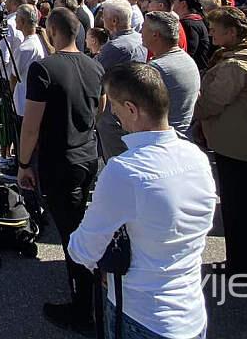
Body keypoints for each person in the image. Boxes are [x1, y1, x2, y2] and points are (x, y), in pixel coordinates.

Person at [67, 63, 217, 339]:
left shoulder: (124, 170)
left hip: (142, 314)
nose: (112, 113)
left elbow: (84, 249)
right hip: (191, 311)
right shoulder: (195, 156)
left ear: (132, 109)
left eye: (114, 105)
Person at [17, 8, 105, 335]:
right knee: (78, 224)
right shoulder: (95, 65)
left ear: (52, 32)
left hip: (60, 160)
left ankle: (84, 308)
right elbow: (101, 109)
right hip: (87, 155)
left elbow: (31, 126)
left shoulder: (43, 69)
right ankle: (87, 295)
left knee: (73, 235)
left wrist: (24, 164)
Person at [193, 7, 247, 277]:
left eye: (215, 29)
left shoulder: (235, 65)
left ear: (231, 32)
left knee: (239, 208)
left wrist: (196, 110)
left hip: (237, 143)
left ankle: (243, 265)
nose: (211, 33)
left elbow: (211, 102)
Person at [95, 0, 147, 158]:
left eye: (104, 16)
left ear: (114, 21)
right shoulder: (139, 38)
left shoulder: (115, 47)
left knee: (116, 159)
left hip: (114, 115)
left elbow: (95, 73)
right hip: (133, 108)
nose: (102, 19)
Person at [142, 11, 200, 135]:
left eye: (143, 28)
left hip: (162, 139)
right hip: (182, 136)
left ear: (155, 35)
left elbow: (143, 110)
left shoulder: (156, 68)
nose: (140, 33)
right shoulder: (186, 59)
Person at [11, 4, 50, 124]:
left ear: (22, 21)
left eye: (16, 17)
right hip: (37, 102)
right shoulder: (41, 40)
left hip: (24, 104)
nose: (15, 19)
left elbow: (14, 77)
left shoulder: (24, 48)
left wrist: (11, 96)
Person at [173, 0, 212, 71]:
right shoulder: (196, 20)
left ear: (183, 4)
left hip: (195, 69)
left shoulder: (188, 24)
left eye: (175, 0)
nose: (173, 3)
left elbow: (189, 52)